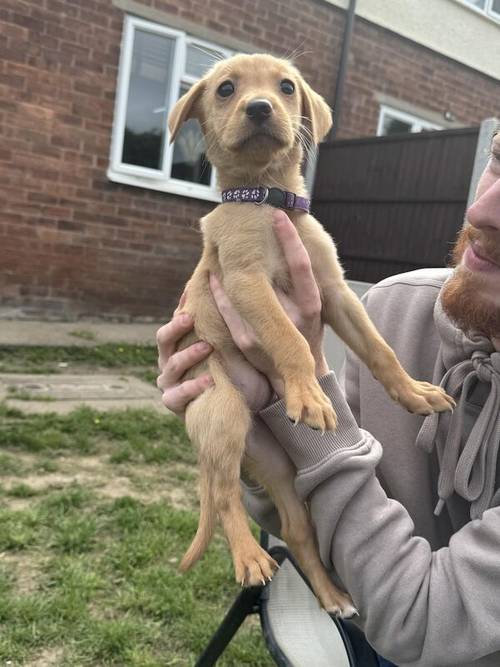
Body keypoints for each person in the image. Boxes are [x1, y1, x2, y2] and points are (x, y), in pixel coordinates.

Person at [156, 131, 500, 667]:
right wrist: (264, 416)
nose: (482, 209)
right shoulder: (394, 306)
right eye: (498, 159)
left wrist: (303, 371)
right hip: (359, 630)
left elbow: (425, 623)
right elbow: (335, 497)